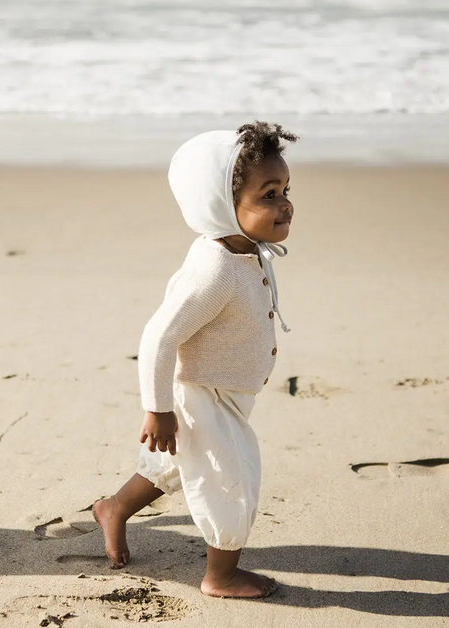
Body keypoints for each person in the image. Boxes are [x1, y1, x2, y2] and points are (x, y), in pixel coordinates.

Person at [93, 121, 297, 599]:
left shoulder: (243, 248)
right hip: (204, 394)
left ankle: (114, 508)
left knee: (171, 466)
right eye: (268, 194)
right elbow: (159, 338)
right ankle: (220, 574)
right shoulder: (216, 270)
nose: (285, 202)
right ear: (223, 205)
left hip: (227, 388)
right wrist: (159, 409)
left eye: (286, 189)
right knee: (231, 480)